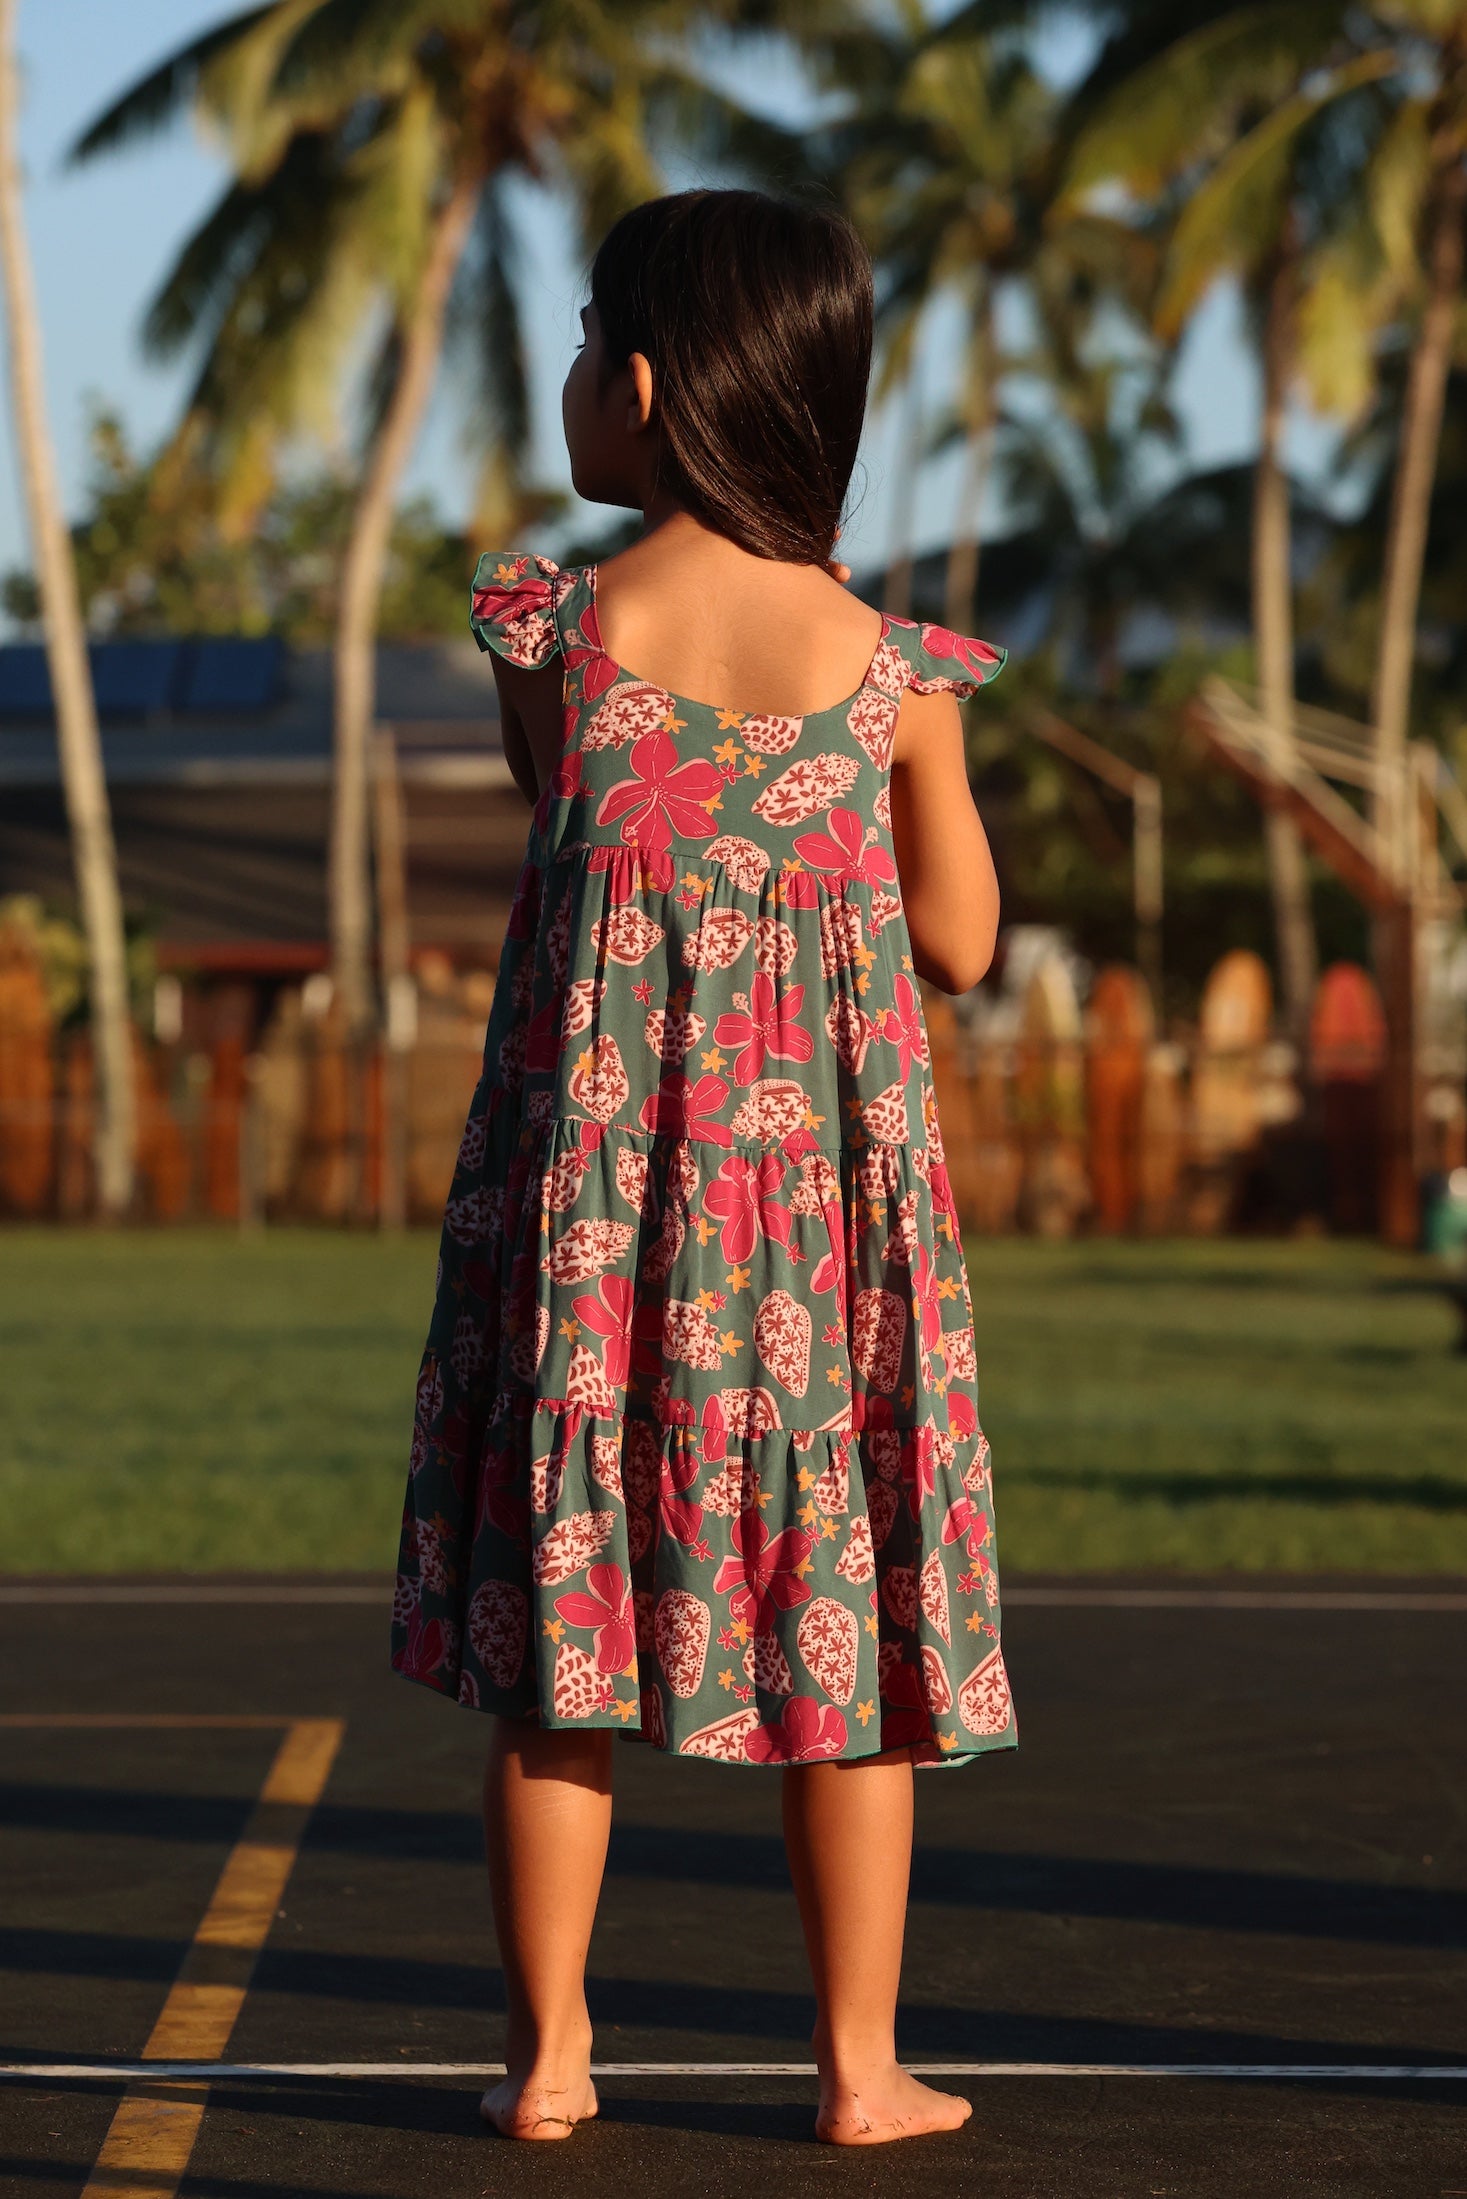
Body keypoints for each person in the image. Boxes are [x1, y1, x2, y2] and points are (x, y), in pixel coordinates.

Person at [391, 188, 1015, 2147]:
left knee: (558, 1645)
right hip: (810, 1241)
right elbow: (964, 937)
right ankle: (854, 2066)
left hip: (595, 1222)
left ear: (641, 389)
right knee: (840, 1628)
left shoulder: (559, 632)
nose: (573, 375)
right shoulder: (888, 668)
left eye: (586, 343)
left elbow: (551, 789)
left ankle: (551, 2057)